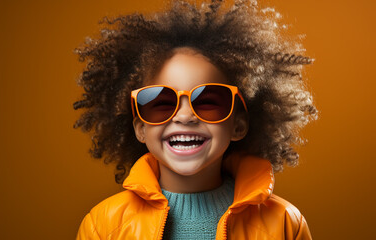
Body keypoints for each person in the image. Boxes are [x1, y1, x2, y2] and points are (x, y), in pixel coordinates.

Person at [73, 0, 317, 239]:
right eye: (161, 103)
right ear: (140, 129)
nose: (185, 116)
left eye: (208, 101)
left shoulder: (285, 224)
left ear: (238, 124)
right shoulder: (103, 225)